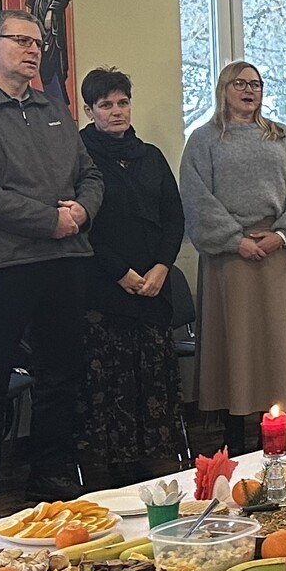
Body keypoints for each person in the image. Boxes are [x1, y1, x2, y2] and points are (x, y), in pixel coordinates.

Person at [0, 8, 100, 522]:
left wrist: (81, 211)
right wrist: (50, 220)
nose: (33, 50)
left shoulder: (53, 107)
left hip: (65, 259)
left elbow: (90, 174)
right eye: (21, 40)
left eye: (38, 43)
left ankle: (49, 473)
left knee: (61, 374)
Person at [182, 61, 286, 441]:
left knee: (274, 345)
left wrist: (283, 235)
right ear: (223, 89)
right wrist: (234, 240)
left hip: (276, 255)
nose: (249, 90)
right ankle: (233, 437)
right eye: (240, 83)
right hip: (229, 259)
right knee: (234, 346)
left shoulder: (283, 137)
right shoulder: (204, 140)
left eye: (255, 84)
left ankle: (271, 439)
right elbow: (195, 198)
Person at [77, 69, 188, 485]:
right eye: (106, 105)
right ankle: (112, 465)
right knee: (111, 376)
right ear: (89, 111)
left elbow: (173, 217)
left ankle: (149, 457)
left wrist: (162, 266)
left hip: (153, 284)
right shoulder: (80, 156)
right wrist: (120, 273)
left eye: (122, 102)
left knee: (151, 373)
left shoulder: (150, 155)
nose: (116, 111)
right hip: (104, 286)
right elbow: (84, 225)